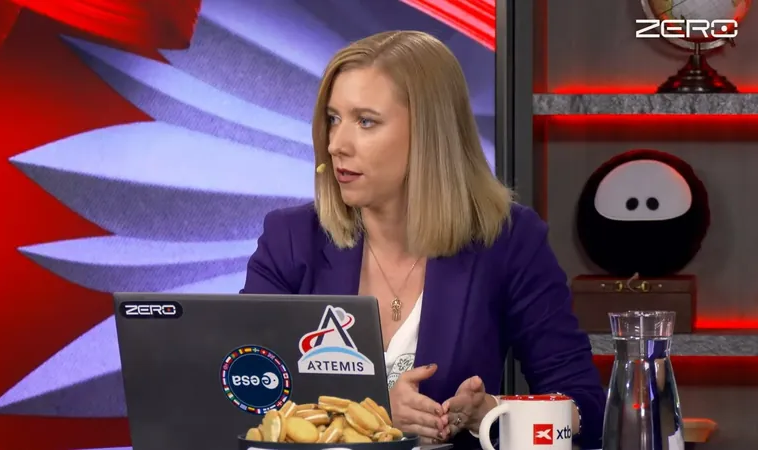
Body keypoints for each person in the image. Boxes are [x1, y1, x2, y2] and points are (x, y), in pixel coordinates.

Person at [242, 30, 605, 449]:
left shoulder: (507, 241)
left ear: (430, 132)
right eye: (333, 119)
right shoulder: (290, 239)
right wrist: (374, 415)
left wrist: (493, 413)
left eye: (366, 121)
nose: (336, 144)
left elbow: (585, 408)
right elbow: (241, 395)